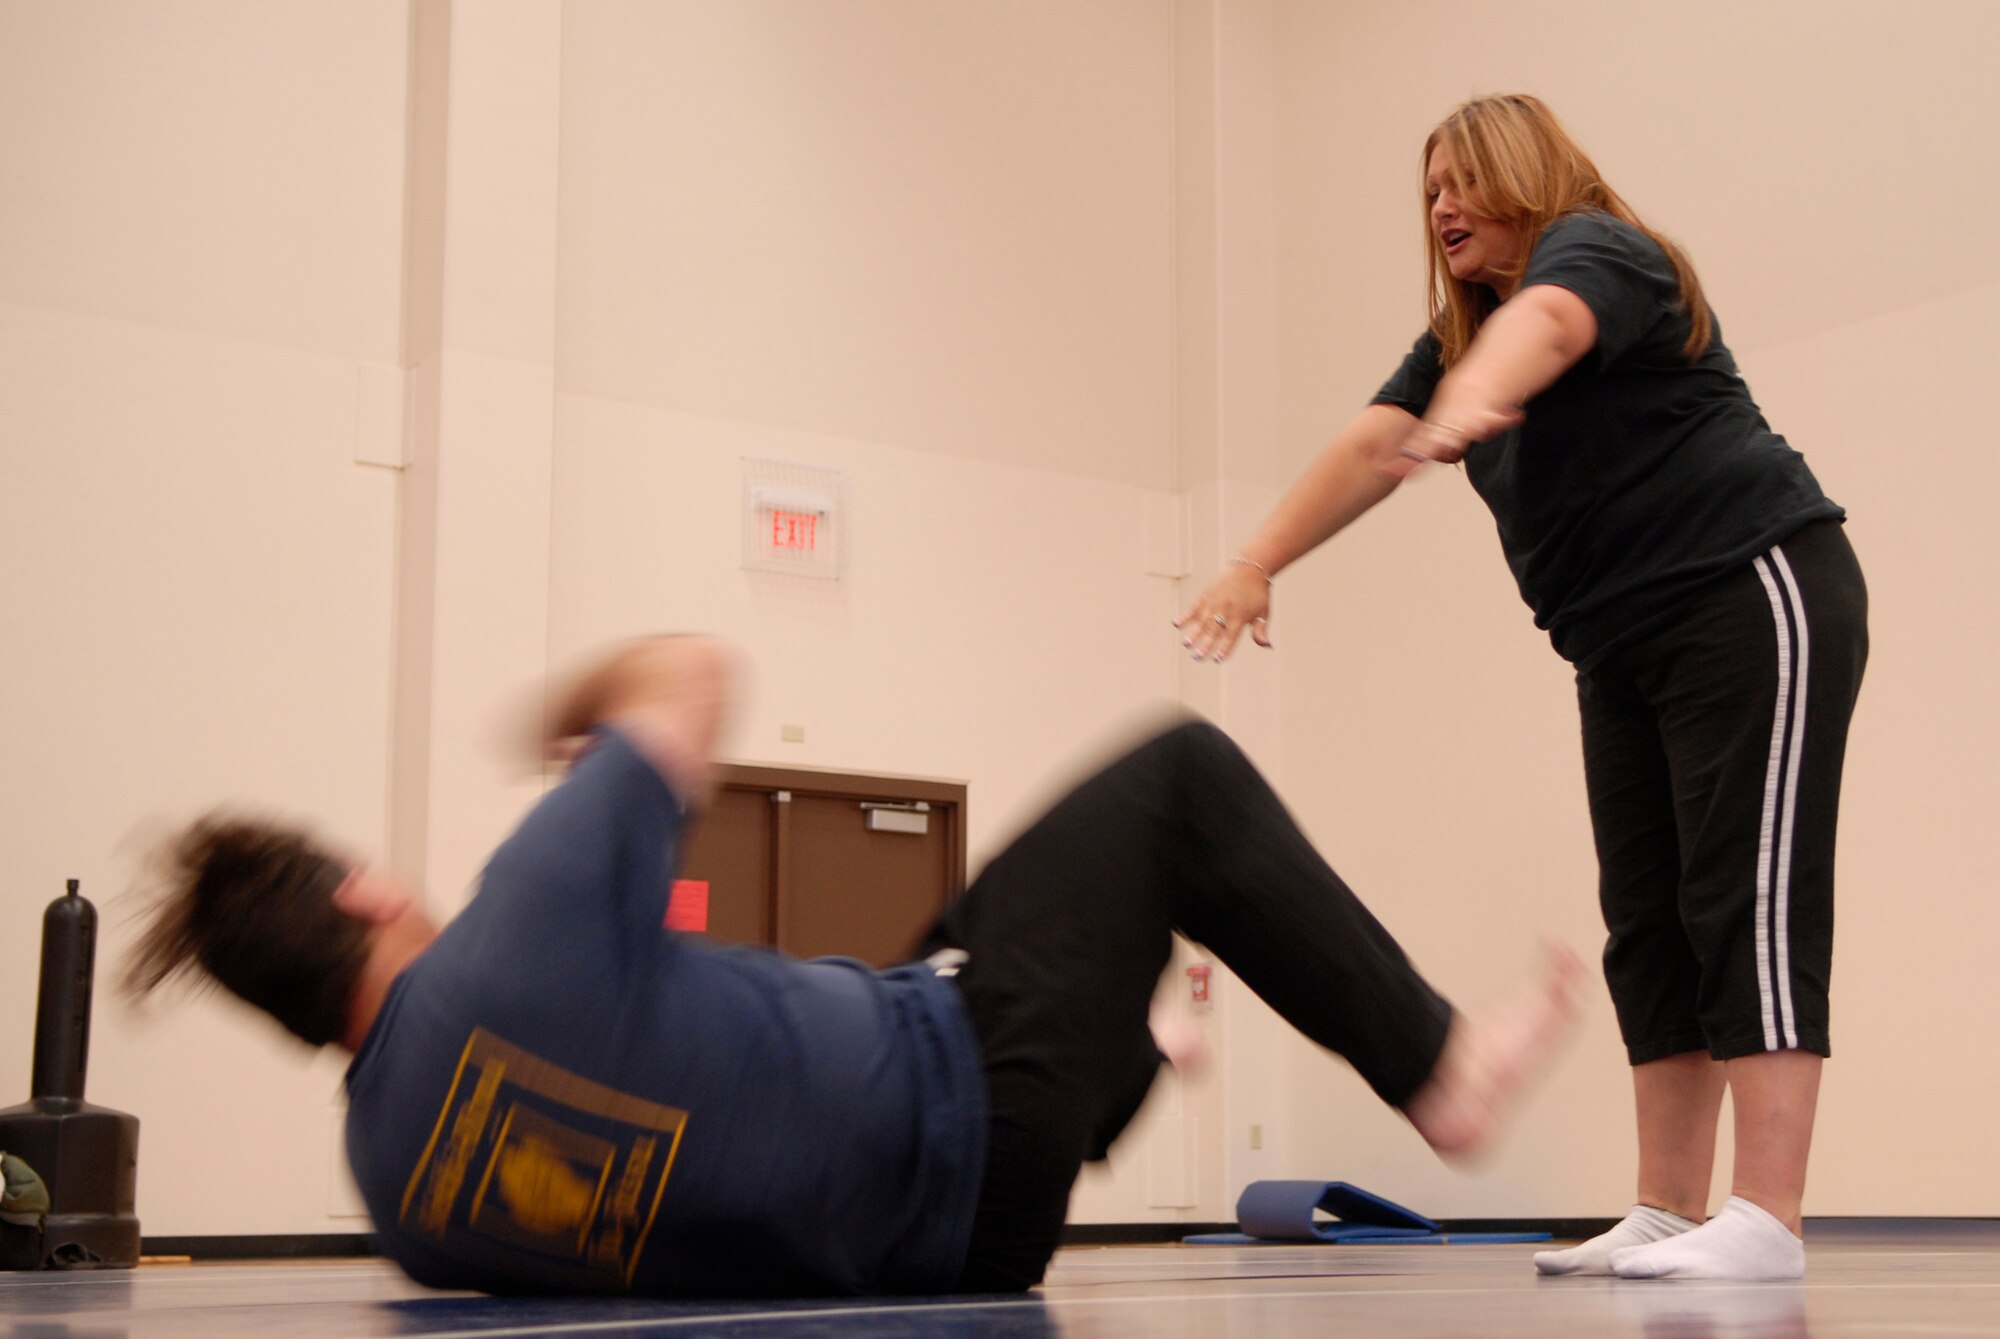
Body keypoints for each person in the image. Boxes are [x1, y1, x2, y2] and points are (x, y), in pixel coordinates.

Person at [127, 634, 1582, 1298]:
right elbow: (688, 671)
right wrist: (566, 728)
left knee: (956, 939)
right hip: (970, 1113)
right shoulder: (522, 918)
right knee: (1178, 778)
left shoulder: (397, 1193)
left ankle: (1133, 1043)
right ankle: (1437, 1071)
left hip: (942, 1236)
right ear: (364, 888)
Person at [1176, 94, 1867, 1283]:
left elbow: (1546, 325)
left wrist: (1477, 396)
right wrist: (1252, 563)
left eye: (1460, 179)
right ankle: (1663, 1205)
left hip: (1749, 589)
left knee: (1740, 891)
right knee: (1646, 919)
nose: (1439, 204)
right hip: (1618, 640)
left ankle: (1767, 1215)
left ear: (1522, 176)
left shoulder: (1595, 251)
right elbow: (1363, 445)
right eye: (1426, 190)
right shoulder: (1454, 341)